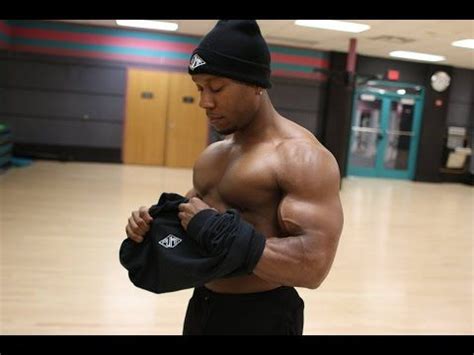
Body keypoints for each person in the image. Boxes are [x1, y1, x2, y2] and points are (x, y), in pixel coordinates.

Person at [125, 20, 344, 335]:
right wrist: (155, 225)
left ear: (256, 83)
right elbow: (195, 225)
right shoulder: (213, 155)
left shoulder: (301, 158)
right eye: (200, 89)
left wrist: (226, 236)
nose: (205, 102)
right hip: (203, 305)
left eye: (216, 88)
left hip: (263, 316)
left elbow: (314, 266)